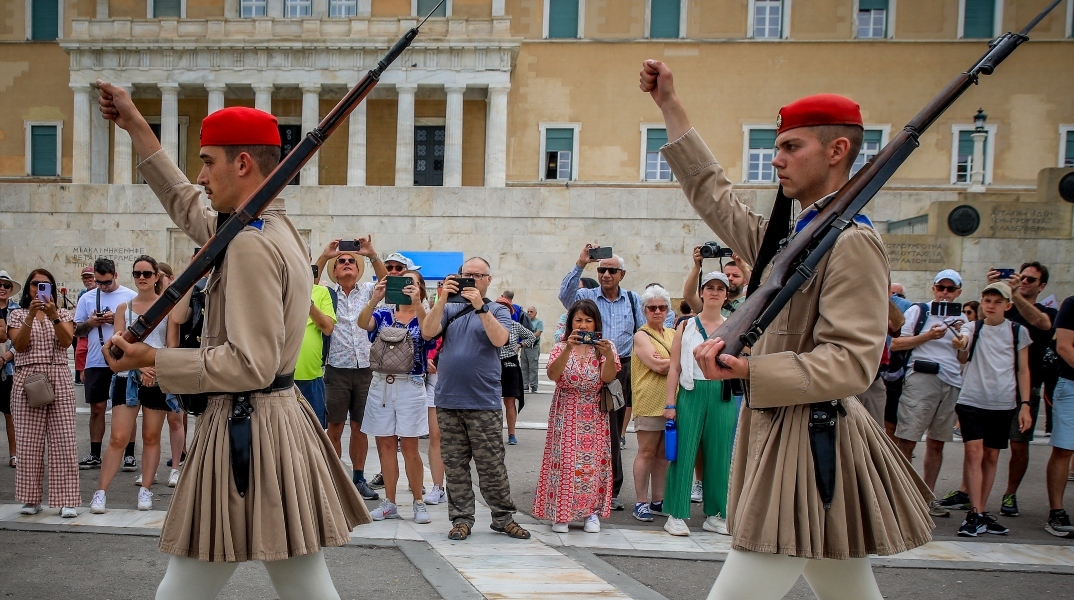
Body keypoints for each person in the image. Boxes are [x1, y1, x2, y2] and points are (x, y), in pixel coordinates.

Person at [642, 61, 932, 598]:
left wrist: (751, 369)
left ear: (837, 150)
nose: (776, 158)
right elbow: (713, 193)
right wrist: (669, 106)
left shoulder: (851, 243)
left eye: (791, 146)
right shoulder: (800, 235)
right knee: (844, 583)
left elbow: (851, 361)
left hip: (809, 435)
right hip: (789, 427)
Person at [98, 85, 368, 598]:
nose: (199, 176)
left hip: (248, 424)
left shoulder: (248, 244)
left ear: (242, 163)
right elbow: (187, 207)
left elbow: (251, 363)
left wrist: (151, 357)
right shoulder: (271, 227)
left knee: (182, 591)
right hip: (274, 421)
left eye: (206, 162)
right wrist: (135, 125)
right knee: (304, 585)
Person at [421, 257, 531, 541]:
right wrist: (442, 298)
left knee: (491, 465)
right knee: (455, 466)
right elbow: (428, 332)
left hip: (483, 401)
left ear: (488, 280)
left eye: (476, 276)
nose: (469, 280)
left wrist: (481, 308)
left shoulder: (497, 309)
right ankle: (460, 519)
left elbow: (500, 340)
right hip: (448, 399)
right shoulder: (449, 308)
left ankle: (503, 518)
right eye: (465, 275)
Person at [559, 249, 645, 511]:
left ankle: (612, 488)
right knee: (584, 430)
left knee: (612, 430)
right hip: (587, 362)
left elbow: (642, 332)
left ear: (622, 274)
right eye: (601, 270)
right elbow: (564, 296)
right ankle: (575, 487)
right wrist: (580, 263)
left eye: (612, 271)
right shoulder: (586, 296)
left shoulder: (632, 299)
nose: (606, 275)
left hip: (621, 368)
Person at [89, 255, 174, 513]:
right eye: (137, 273)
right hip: (128, 377)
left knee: (151, 435)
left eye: (147, 273)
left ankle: (146, 489)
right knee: (118, 437)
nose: (142, 278)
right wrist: (140, 366)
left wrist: (154, 368)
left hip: (157, 377)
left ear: (156, 276)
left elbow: (171, 345)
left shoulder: (167, 307)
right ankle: (101, 491)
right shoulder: (123, 309)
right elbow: (117, 346)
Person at [949, 282, 1031, 537]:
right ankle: (974, 512)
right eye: (987, 301)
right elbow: (963, 348)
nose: (991, 306)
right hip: (972, 400)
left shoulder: (1018, 332)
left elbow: (1023, 370)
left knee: (991, 456)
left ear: (1007, 306)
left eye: (997, 301)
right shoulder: (975, 327)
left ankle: (981, 513)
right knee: (974, 453)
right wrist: (960, 344)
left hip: (1003, 402)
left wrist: (1025, 405)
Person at [358, 270, 436, 524]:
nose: (405, 288)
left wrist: (419, 305)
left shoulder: (424, 316)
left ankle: (418, 501)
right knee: (386, 445)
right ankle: (389, 502)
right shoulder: (382, 314)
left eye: (411, 283)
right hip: (381, 384)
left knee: (411, 447)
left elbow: (427, 334)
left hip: (410, 384)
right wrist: (375, 299)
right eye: (401, 283)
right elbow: (362, 323)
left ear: (421, 288)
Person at [534, 299, 619, 533]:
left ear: (596, 324)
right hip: (566, 411)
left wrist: (608, 355)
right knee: (565, 463)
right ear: (571, 323)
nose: (583, 326)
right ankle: (561, 513)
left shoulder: (605, 347)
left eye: (588, 321)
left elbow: (609, 378)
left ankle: (590, 513)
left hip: (594, 414)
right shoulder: (561, 347)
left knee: (592, 465)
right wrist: (569, 349)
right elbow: (552, 374)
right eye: (578, 320)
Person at [662, 273, 737, 537]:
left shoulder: (734, 325)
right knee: (684, 452)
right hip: (692, 391)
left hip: (722, 392)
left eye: (720, 288)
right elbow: (674, 367)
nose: (715, 292)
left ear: (727, 295)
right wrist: (670, 402)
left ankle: (716, 513)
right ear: (701, 293)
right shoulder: (686, 326)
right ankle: (676, 513)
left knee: (719, 454)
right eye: (710, 288)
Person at [314, 237, 387, 501]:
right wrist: (325, 255)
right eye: (341, 262)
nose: (346, 264)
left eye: (351, 262)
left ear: (358, 269)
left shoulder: (368, 290)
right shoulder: (326, 293)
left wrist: (372, 254)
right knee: (333, 427)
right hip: (336, 369)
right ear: (334, 271)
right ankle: (334, 479)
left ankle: (358, 478)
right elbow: (307, 284)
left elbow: (387, 285)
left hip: (365, 370)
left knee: (359, 427)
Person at [890, 269, 965, 514]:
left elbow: (964, 356)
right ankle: (902, 497)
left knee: (937, 444)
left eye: (950, 289)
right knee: (907, 440)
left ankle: (926, 498)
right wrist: (928, 336)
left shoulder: (962, 318)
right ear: (933, 288)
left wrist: (960, 342)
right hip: (921, 378)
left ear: (958, 292)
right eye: (940, 288)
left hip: (951, 381)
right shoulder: (918, 311)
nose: (944, 293)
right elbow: (896, 343)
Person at [6, 269, 79, 518]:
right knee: (28, 442)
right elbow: (19, 345)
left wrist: (53, 316)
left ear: (53, 289)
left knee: (63, 441)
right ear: (28, 288)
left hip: (57, 375)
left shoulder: (64, 313)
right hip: (28, 378)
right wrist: (31, 317)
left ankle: (67, 499)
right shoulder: (17, 315)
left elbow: (67, 341)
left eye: (45, 285)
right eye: (35, 284)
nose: (39, 288)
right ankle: (31, 498)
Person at [990, 263, 1056, 518]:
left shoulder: (1045, 309)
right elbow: (984, 324)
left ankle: (1010, 493)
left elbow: (1042, 324)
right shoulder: (1003, 306)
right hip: (994, 384)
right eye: (1022, 277)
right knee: (982, 445)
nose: (1025, 281)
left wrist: (1015, 294)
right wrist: (997, 288)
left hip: (1025, 388)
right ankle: (968, 491)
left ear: (1042, 286)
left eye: (1031, 279)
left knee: (1019, 444)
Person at [74, 257, 136, 470]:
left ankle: (129, 454)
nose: (103, 286)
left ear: (115, 275)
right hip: (96, 359)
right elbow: (76, 330)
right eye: (99, 282)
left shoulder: (130, 297)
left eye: (107, 282)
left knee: (127, 406)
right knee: (97, 408)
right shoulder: (88, 298)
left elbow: (140, 329)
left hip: (122, 359)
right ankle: (94, 453)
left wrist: (115, 321)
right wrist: (91, 323)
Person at [630, 285, 674, 523]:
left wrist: (668, 360)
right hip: (648, 399)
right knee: (646, 451)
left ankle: (658, 499)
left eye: (662, 307)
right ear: (644, 310)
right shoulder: (641, 335)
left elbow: (676, 361)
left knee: (663, 454)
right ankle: (640, 501)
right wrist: (675, 359)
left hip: (671, 400)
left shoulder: (673, 334)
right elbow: (656, 366)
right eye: (652, 308)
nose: (657, 311)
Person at [1045, 293, 1074, 538]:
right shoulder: (1072, 304)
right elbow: (1064, 346)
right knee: (1064, 449)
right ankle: (1057, 510)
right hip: (1072, 385)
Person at [295, 274, 336, 428]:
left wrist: (308, 301)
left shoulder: (322, 292)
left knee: (315, 435)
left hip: (311, 379)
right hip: (278, 378)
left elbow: (328, 328)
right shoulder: (274, 288)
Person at [498, 297, 536, 446]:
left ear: (510, 311)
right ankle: (493, 433)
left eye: (505, 308)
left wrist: (521, 344)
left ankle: (512, 433)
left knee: (510, 400)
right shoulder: (488, 324)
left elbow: (531, 336)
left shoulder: (514, 325)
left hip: (510, 364)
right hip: (492, 365)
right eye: (499, 308)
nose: (502, 311)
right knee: (491, 401)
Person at [0, 270, 19, 468]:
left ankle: (14, 453)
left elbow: (21, 338)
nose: (2, 288)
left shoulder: (16, 310)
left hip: (10, 368)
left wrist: (8, 355)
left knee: (10, 414)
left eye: (6, 285)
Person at [554, 277, 599, 342]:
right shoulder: (566, 316)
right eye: (578, 320)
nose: (583, 326)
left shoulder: (599, 315)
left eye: (580, 290)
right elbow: (557, 337)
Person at [74, 266, 96, 385]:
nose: (87, 280)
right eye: (85, 278)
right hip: (85, 331)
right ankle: (81, 374)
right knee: (80, 351)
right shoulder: (83, 295)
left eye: (90, 277)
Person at [521, 306, 544, 393]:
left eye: (531, 311)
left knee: (533, 368)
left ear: (535, 313)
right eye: (528, 311)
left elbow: (538, 333)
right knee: (524, 367)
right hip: (524, 347)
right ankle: (524, 385)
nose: (529, 313)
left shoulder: (539, 322)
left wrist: (528, 339)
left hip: (533, 347)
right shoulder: (524, 322)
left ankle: (534, 386)